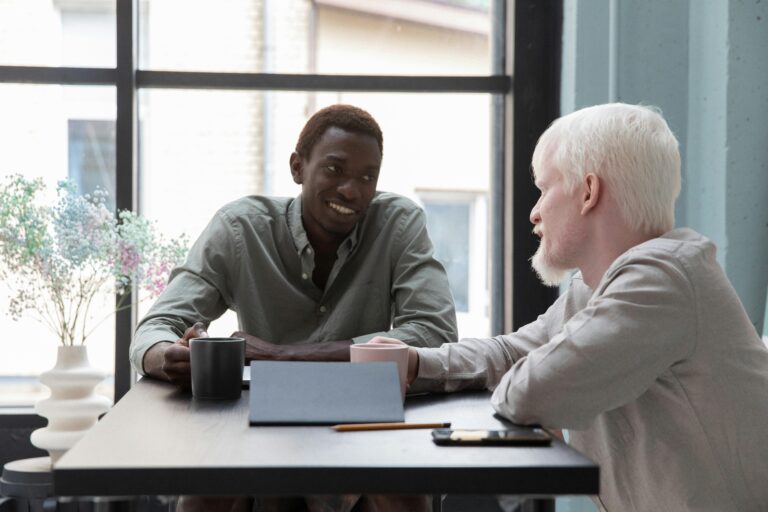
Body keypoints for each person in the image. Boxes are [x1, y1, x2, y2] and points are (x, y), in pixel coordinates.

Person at [374, 103, 768, 511]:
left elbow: (533, 389)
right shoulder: (601, 289)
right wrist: (417, 362)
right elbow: (512, 354)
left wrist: (533, 390)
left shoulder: (661, 281)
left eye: (544, 189)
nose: (535, 211)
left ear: (588, 191)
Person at [131, 104, 456, 511]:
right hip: (257, 420)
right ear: (297, 167)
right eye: (336, 170)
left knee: (402, 486)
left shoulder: (398, 223)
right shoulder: (240, 228)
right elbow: (158, 325)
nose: (352, 190)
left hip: (367, 419)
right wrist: (168, 357)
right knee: (207, 486)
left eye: (367, 177)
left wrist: (281, 355)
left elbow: (434, 334)